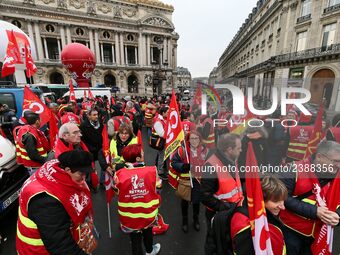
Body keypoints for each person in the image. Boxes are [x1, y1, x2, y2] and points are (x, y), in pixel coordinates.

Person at [16, 150, 97, 255]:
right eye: (81, 174)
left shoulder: (53, 170)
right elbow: (61, 246)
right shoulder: (47, 201)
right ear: (67, 170)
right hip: (38, 250)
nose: (84, 179)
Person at [280, 140, 340, 255]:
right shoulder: (293, 169)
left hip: (321, 235)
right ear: (319, 157)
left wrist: (338, 215)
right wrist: (314, 211)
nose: (338, 165)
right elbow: (282, 197)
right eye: (335, 161)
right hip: (291, 231)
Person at [200, 133, 244, 255]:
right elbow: (204, 196)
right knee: (215, 243)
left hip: (232, 209)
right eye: (239, 148)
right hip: (219, 214)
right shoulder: (211, 166)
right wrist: (224, 207)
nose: (241, 150)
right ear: (229, 150)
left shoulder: (231, 159)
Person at [114, 144, 161, 255]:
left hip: (129, 216)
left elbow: (116, 191)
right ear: (138, 158)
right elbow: (159, 187)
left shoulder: (119, 174)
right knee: (148, 233)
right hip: (147, 214)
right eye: (142, 152)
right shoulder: (152, 171)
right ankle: (150, 251)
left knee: (135, 240)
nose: (144, 153)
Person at [231, 176, 287, 255]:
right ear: (261, 200)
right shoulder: (247, 229)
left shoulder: (250, 204)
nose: (283, 207)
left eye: (283, 200)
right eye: (276, 201)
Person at [171, 130, 208, 232]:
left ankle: (196, 220)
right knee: (185, 201)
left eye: (196, 138)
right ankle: (185, 220)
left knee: (196, 201)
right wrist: (183, 166)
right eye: (192, 138)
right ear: (188, 139)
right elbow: (174, 163)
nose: (194, 140)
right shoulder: (182, 150)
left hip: (198, 180)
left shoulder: (204, 150)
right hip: (185, 181)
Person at [14, 111, 50, 175]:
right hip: (35, 167)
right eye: (40, 120)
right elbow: (33, 155)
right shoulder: (29, 135)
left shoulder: (27, 129)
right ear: (37, 121)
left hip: (35, 165)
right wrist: (48, 159)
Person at [152, 105, 169, 179]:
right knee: (161, 157)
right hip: (161, 142)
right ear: (163, 113)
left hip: (164, 142)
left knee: (161, 156)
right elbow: (162, 134)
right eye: (168, 112)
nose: (169, 113)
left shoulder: (164, 119)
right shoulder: (158, 121)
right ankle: (160, 172)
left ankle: (159, 168)